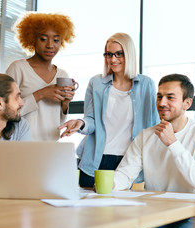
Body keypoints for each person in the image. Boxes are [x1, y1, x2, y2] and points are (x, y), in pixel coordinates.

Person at [114, 73, 195, 228]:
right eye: (159, 96)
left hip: (194, 216)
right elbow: (125, 174)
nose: (162, 103)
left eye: (170, 97)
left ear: (187, 103)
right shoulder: (145, 136)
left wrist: (173, 143)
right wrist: (108, 184)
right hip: (156, 215)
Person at [59, 32, 159, 187]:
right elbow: (91, 119)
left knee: (123, 210)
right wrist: (81, 123)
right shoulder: (97, 83)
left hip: (128, 162)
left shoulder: (146, 85)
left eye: (119, 54)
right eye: (109, 54)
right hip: (95, 159)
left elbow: (152, 124)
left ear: (129, 54)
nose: (113, 59)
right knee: (88, 209)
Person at [6, 12, 76, 141]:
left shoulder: (62, 75)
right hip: (22, 144)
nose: (50, 45)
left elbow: (58, 121)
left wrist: (65, 105)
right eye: (43, 39)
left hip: (51, 147)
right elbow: (5, 113)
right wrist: (41, 94)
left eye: (56, 40)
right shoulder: (18, 68)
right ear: (32, 39)